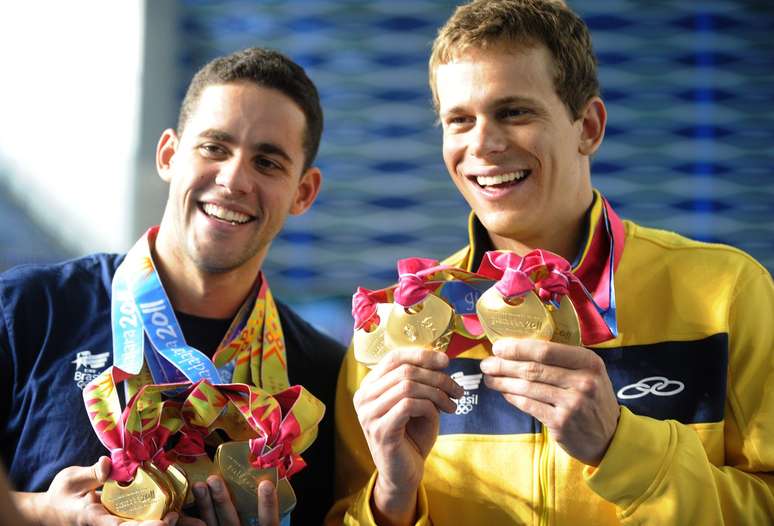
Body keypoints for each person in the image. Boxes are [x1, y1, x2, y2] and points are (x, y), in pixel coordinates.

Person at [328, 1, 774, 524]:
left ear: (588, 126)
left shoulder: (726, 292)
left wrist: (623, 448)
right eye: (459, 120)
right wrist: (392, 498)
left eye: (514, 112)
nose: (484, 144)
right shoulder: (397, 326)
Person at [1, 47, 345, 526]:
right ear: (169, 154)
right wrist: (45, 514)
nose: (233, 179)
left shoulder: (325, 379)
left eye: (267, 163)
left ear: (303, 193)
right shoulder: (28, 311)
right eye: (214, 147)